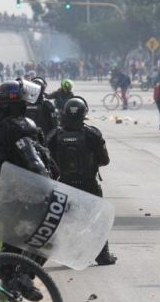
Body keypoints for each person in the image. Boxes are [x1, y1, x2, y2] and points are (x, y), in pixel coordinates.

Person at [0, 80, 57, 283]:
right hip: (22, 196)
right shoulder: (22, 127)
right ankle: (24, 276)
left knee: (11, 242)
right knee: (49, 236)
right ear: (18, 104)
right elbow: (35, 164)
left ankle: (6, 290)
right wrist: (51, 190)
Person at [47, 98, 116, 265]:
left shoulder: (55, 135)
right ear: (84, 113)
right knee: (98, 219)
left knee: (67, 221)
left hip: (64, 183)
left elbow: (48, 161)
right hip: (88, 183)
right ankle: (102, 256)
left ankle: (70, 254)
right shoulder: (92, 134)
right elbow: (104, 160)